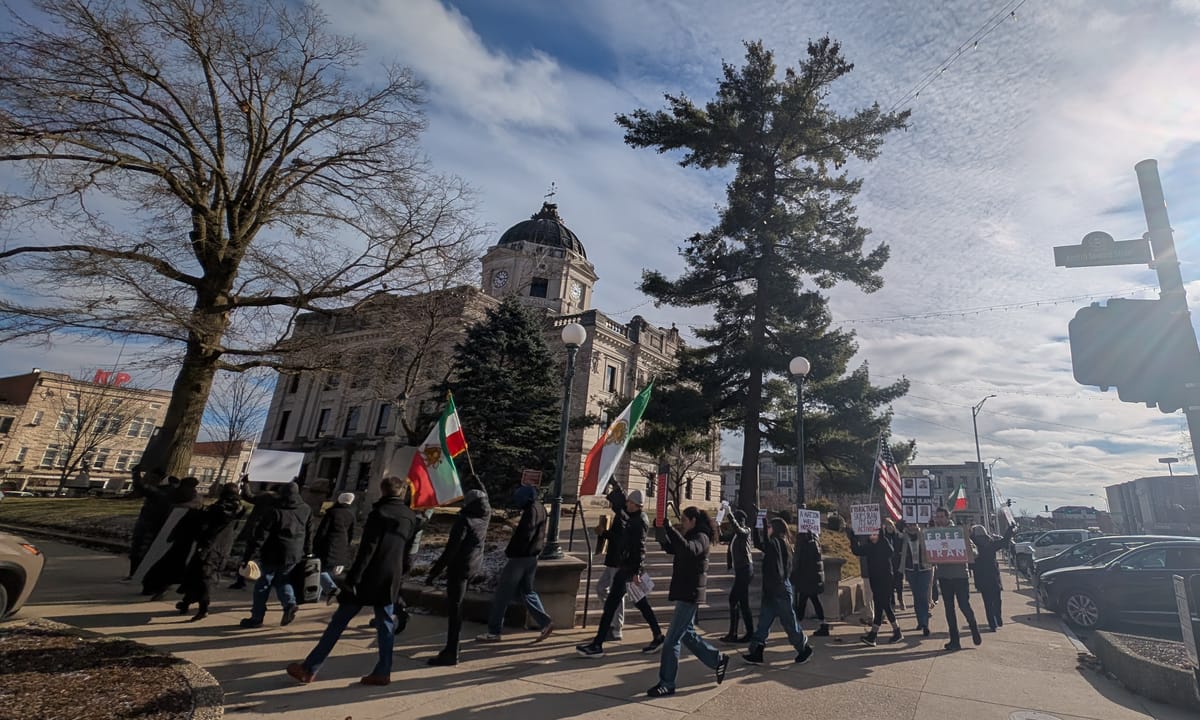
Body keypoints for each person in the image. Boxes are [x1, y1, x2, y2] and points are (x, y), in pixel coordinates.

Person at [286, 477, 420, 686]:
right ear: (402, 492)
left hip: (368, 576)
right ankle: (384, 670)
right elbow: (406, 550)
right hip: (391, 575)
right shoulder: (410, 516)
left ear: (382, 490)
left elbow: (368, 549)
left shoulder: (379, 513)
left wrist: (353, 579)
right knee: (385, 624)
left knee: (338, 623)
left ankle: (309, 667)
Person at [646, 507, 728, 697]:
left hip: (689, 594)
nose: (682, 523)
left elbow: (689, 550)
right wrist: (662, 531)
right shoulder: (692, 535)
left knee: (671, 640)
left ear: (692, 520)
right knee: (687, 635)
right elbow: (673, 548)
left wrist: (671, 530)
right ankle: (717, 660)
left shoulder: (701, 536)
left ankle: (667, 683)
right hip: (686, 591)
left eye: (683, 520)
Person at [576, 485, 655, 657]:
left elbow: (639, 547)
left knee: (621, 604)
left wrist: (636, 571)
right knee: (637, 604)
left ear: (634, 504)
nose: (626, 504)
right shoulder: (632, 517)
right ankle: (657, 635)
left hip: (628, 569)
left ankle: (602, 641)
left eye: (628, 502)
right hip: (625, 567)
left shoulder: (637, 520)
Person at [478, 480, 554, 644]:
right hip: (532, 557)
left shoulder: (530, 511)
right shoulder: (540, 507)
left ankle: (494, 631)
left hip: (520, 557)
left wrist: (511, 549)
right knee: (527, 591)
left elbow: (526, 534)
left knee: (502, 595)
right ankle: (545, 622)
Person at [426, 488, 491, 666]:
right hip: (474, 566)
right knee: (458, 607)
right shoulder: (485, 516)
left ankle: (451, 651)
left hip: (459, 567)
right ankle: (453, 646)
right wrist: (479, 483)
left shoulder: (464, 521)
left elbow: (451, 550)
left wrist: (434, 572)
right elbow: (486, 500)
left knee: (455, 610)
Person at [741, 517, 814, 666]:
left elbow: (766, 545)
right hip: (774, 589)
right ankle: (757, 651)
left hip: (779, 590)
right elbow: (761, 545)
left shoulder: (778, 543)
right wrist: (757, 528)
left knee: (789, 622)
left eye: (769, 528)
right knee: (764, 623)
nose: (767, 531)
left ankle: (804, 648)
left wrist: (761, 525)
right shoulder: (781, 543)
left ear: (774, 529)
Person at [239, 481, 312, 628]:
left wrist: (249, 556)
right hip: (294, 552)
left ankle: (257, 617)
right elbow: (309, 531)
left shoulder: (274, 510)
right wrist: (309, 551)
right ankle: (290, 603)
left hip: (273, 551)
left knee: (263, 584)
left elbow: (261, 535)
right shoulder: (306, 509)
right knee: (283, 581)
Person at [177, 483, 246, 620]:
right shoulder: (235, 508)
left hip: (211, 546)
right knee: (198, 574)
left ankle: (203, 608)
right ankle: (186, 602)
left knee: (203, 576)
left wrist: (201, 513)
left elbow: (208, 524)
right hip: (221, 546)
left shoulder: (222, 508)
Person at [930, 507, 981, 651]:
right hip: (944, 576)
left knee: (964, 605)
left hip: (960, 575)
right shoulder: (933, 534)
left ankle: (973, 627)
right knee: (949, 609)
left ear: (948, 517)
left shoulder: (958, 532)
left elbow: (975, 552)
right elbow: (929, 555)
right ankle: (954, 640)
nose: (939, 519)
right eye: (937, 516)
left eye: (942, 516)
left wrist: (967, 550)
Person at [847, 521, 901, 646]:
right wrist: (853, 536)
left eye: (875, 534)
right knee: (884, 606)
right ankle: (896, 631)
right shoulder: (869, 547)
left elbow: (891, 551)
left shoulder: (884, 544)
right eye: (870, 535)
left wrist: (883, 536)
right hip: (875, 580)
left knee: (880, 606)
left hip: (886, 579)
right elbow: (856, 550)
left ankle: (873, 635)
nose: (872, 537)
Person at [593, 481, 632, 642]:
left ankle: (617, 627)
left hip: (619, 561)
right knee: (601, 588)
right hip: (612, 560)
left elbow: (621, 539)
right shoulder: (620, 513)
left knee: (617, 594)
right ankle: (612, 618)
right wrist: (614, 481)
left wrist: (604, 533)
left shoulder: (623, 515)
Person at [229, 479, 277, 590]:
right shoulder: (283, 502)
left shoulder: (265, 497)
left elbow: (248, 496)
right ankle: (268, 581)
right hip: (272, 533)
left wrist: (245, 483)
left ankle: (241, 579)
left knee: (248, 556)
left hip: (256, 530)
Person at [126, 466, 173, 580]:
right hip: (155, 524)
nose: (148, 479)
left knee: (140, 549)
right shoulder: (168, 489)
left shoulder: (158, 491)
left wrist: (136, 474)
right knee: (143, 549)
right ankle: (139, 574)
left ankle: (136, 574)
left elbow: (140, 487)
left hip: (149, 524)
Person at [970, 522, 1015, 631]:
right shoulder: (990, 543)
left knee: (987, 602)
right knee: (997, 599)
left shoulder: (972, 545)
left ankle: (992, 623)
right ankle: (998, 617)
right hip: (993, 575)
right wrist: (1010, 529)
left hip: (981, 576)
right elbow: (1004, 541)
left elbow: (970, 563)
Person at [314, 492, 357, 604]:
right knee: (326, 572)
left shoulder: (332, 513)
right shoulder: (351, 515)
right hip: (341, 547)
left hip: (328, 546)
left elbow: (322, 532)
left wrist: (315, 545)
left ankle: (331, 589)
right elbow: (351, 534)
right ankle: (317, 597)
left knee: (319, 571)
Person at [720, 509, 754, 642]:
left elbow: (739, 530)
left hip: (745, 570)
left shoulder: (746, 531)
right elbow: (723, 537)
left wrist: (730, 515)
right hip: (741, 570)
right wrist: (717, 527)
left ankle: (734, 633)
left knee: (734, 599)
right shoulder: (735, 534)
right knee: (742, 603)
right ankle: (745, 632)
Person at [791, 528, 829, 636]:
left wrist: (793, 576)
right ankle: (823, 625)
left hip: (805, 578)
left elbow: (797, 562)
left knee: (803, 602)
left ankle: (796, 626)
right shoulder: (816, 542)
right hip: (814, 578)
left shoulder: (803, 544)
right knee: (812, 600)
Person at [899, 522, 933, 636]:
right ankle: (920, 620)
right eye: (910, 525)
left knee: (923, 595)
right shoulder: (904, 537)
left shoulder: (924, 535)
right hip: (911, 569)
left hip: (924, 568)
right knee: (916, 595)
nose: (912, 527)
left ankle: (925, 623)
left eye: (914, 525)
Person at [885, 520, 905, 610]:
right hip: (888, 564)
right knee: (890, 584)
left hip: (898, 563)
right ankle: (892, 603)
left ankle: (900, 599)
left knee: (899, 583)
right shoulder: (884, 537)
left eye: (891, 525)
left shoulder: (899, 536)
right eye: (887, 525)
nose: (889, 527)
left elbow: (903, 548)